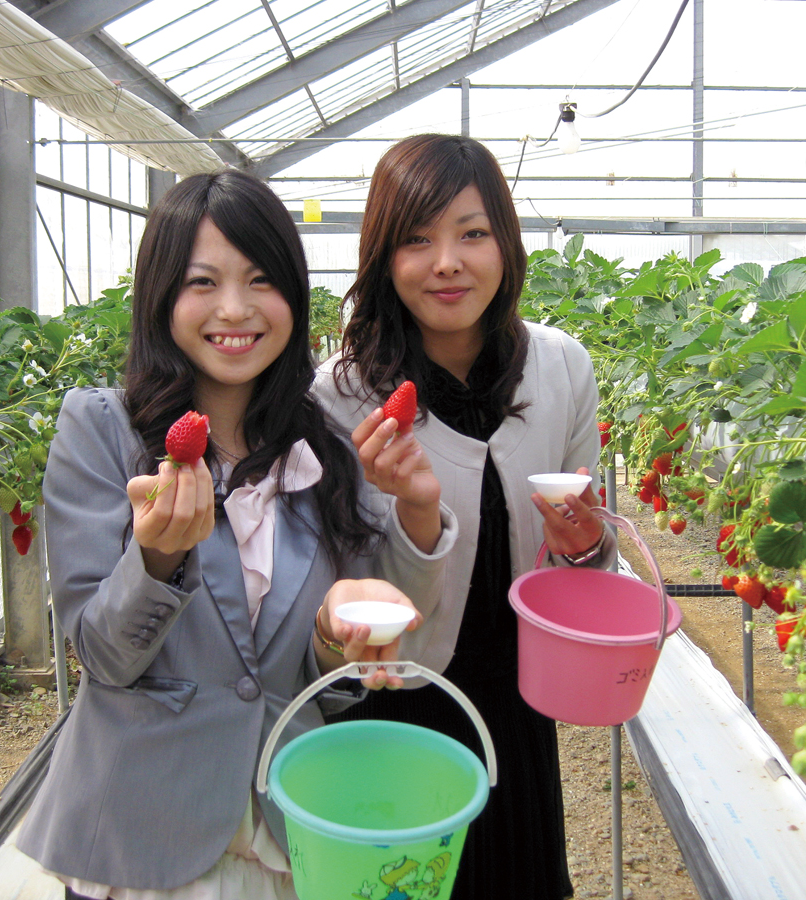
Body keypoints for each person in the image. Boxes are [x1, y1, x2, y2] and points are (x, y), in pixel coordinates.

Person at [15, 170, 457, 900]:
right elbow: (101, 655)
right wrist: (155, 558)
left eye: (260, 280)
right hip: (142, 841)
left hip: (289, 837)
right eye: (202, 282)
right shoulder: (103, 432)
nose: (234, 309)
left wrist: (330, 630)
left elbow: (341, 683)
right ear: (161, 296)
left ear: (292, 294)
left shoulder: (328, 453)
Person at [314, 134, 613, 900]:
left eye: (472, 233)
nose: (447, 261)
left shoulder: (560, 368)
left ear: (505, 246)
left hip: (516, 705)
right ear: (384, 257)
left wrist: (585, 548)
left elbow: (584, 570)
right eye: (417, 238)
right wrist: (413, 516)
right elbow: (341, 604)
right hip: (395, 707)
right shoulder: (339, 400)